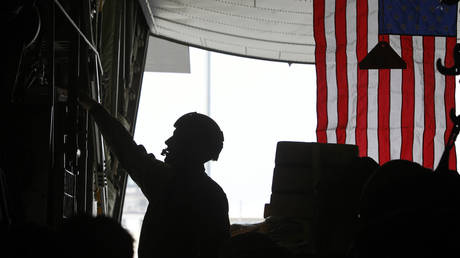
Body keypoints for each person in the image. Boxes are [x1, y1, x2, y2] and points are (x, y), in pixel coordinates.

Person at [78, 94, 230, 258]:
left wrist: (95, 108)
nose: (168, 142)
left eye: (176, 137)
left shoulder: (168, 181)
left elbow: (126, 148)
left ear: (190, 146)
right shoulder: (215, 195)